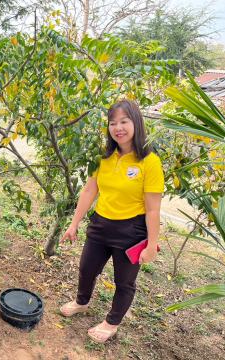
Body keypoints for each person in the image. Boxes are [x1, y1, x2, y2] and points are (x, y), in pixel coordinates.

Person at [59, 99, 164, 343]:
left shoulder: (149, 162)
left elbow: (153, 210)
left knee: (124, 282)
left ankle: (112, 322)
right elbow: (88, 191)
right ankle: (81, 302)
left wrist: (151, 244)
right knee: (86, 269)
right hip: (100, 224)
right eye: (112, 123)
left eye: (124, 121)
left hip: (132, 230)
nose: (118, 127)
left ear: (136, 122)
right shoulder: (103, 159)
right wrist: (74, 224)